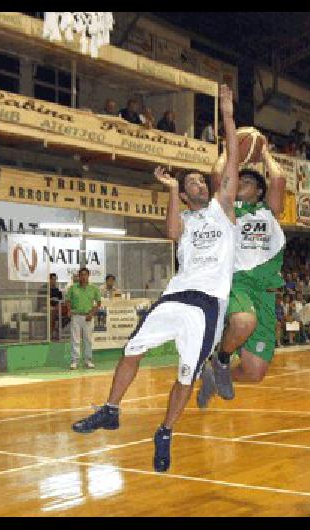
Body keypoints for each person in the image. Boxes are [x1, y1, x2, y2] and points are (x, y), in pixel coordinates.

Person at [71, 84, 239, 474]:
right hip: (175, 296)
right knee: (133, 348)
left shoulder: (222, 209)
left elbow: (230, 159)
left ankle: (165, 432)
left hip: (207, 304)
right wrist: (172, 191)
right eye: (191, 181)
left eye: (200, 180)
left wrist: (227, 115)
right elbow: (170, 233)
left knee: (185, 375)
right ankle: (111, 409)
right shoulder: (186, 216)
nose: (197, 183)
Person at [197, 135, 286, 408]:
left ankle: (214, 377)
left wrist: (265, 151)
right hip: (237, 282)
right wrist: (228, 150)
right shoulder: (227, 209)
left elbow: (279, 179)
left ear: (259, 191)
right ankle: (221, 359)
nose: (239, 184)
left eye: (246, 182)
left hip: (267, 293)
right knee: (243, 322)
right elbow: (216, 173)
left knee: (255, 373)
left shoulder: (268, 212)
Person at [66, 268, 102, 370]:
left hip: (88, 317)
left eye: (85, 275)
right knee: (75, 339)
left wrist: (92, 313)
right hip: (76, 316)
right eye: (81, 275)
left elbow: (98, 303)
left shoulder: (94, 289)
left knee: (88, 339)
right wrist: (69, 310)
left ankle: (88, 361)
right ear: (78, 276)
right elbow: (68, 300)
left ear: (88, 276)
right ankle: (74, 361)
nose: (83, 277)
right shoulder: (73, 288)